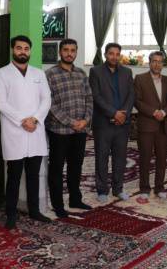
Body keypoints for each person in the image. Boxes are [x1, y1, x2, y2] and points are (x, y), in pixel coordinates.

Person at [0, 35, 52, 229]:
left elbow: (46, 99)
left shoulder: (39, 74)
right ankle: (11, 214)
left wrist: (34, 119)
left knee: (34, 175)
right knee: (14, 176)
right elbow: (1, 103)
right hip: (15, 132)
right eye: (19, 48)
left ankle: (34, 210)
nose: (23, 52)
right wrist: (22, 120)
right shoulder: (2, 74)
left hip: (35, 129)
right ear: (13, 50)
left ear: (30, 51)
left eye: (26, 48)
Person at [45, 39, 93, 218]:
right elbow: (49, 103)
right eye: (66, 50)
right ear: (60, 52)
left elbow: (89, 98)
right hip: (59, 130)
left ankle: (75, 199)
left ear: (76, 52)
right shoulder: (50, 74)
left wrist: (85, 120)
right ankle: (58, 205)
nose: (69, 53)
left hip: (80, 130)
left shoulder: (81, 73)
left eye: (73, 50)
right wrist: (70, 121)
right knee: (57, 168)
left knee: (76, 166)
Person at [89, 43, 134, 202]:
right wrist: (114, 113)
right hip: (103, 123)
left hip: (122, 123)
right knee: (102, 157)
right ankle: (102, 190)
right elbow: (96, 96)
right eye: (111, 53)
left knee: (120, 158)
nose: (114, 57)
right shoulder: (95, 72)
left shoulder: (127, 72)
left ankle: (118, 189)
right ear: (105, 55)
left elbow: (131, 95)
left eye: (117, 54)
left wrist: (123, 114)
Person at [134, 51, 167, 201]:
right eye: (154, 61)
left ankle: (159, 187)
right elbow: (137, 101)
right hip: (146, 125)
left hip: (163, 125)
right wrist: (153, 112)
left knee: (162, 159)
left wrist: (163, 112)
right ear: (149, 62)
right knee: (145, 158)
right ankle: (144, 188)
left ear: (163, 64)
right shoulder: (140, 79)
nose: (157, 64)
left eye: (160, 61)